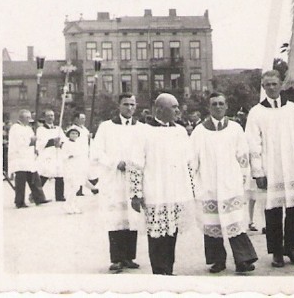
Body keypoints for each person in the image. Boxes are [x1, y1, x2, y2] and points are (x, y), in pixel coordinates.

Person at [245, 70, 294, 268]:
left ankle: (290, 247)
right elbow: (253, 144)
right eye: (267, 84)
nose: (271, 87)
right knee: (273, 211)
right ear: (263, 86)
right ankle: (276, 251)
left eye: (274, 83)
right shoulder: (256, 112)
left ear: (281, 84)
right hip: (271, 167)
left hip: (292, 166)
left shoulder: (293, 110)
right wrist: (258, 172)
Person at [189, 92, 258, 274]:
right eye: (214, 104)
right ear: (209, 107)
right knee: (212, 224)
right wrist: (195, 185)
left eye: (221, 103)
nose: (218, 107)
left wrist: (243, 181)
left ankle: (242, 260)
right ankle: (217, 261)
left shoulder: (235, 128)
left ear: (227, 106)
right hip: (209, 184)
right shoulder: (199, 131)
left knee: (234, 221)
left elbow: (243, 156)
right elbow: (192, 161)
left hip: (231, 183)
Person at [128, 93, 195, 275]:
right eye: (173, 107)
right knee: (156, 235)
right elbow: (135, 165)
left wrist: (192, 188)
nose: (178, 110)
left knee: (171, 232)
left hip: (175, 191)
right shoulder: (143, 131)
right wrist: (135, 194)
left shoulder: (180, 131)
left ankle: (169, 270)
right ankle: (159, 272)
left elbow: (190, 163)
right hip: (154, 190)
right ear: (159, 110)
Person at [90, 93, 144, 273]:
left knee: (131, 216)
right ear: (119, 106)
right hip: (113, 177)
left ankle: (129, 257)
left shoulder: (141, 128)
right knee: (115, 217)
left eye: (132, 105)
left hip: (132, 178)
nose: (129, 108)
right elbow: (97, 151)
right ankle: (117, 258)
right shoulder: (106, 127)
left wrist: (134, 165)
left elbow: (144, 151)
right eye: (126, 104)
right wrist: (115, 163)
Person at [8, 109, 49, 208]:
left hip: (28, 157)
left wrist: (34, 144)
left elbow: (34, 139)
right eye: (27, 117)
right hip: (19, 158)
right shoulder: (15, 128)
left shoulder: (28, 128)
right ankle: (19, 202)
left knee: (34, 178)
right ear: (21, 117)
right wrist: (31, 141)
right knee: (21, 181)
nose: (29, 119)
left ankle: (39, 198)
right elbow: (19, 143)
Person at [62, 127, 95, 214]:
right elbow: (63, 155)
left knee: (76, 187)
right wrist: (69, 156)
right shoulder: (66, 143)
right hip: (70, 167)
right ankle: (67, 204)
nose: (74, 135)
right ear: (68, 134)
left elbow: (82, 153)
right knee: (71, 186)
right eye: (72, 133)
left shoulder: (79, 143)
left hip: (78, 167)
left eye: (76, 134)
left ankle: (72, 205)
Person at [36, 110, 66, 202]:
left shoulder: (58, 129)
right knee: (46, 172)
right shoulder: (41, 129)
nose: (50, 117)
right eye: (48, 116)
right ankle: (35, 194)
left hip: (57, 153)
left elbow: (64, 140)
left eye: (52, 116)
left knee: (59, 172)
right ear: (44, 118)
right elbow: (40, 143)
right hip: (47, 154)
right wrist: (52, 141)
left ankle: (59, 196)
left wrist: (60, 143)